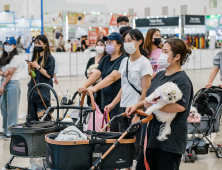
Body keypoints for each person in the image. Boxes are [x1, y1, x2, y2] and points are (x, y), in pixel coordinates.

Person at [125, 38, 193, 170]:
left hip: (168, 143)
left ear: (177, 56)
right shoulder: (160, 75)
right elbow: (150, 98)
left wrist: (151, 107)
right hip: (150, 138)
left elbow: (180, 106)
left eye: (165, 52)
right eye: (162, 51)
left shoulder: (182, 80)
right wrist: (137, 106)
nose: (161, 54)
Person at [89, 29, 153, 132]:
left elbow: (146, 91)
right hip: (123, 107)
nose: (127, 43)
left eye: (130, 40)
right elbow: (124, 86)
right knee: (122, 142)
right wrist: (113, 104)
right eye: (126, 41)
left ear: (139, 41)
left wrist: (138, 113)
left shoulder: (144, 63)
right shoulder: (125, 61)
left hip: (135, 108)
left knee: (134, 143)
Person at [78, 32, 127, 132]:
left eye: (110, 42)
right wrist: (85, 85)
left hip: (117, 104)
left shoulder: (124, 59)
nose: (107, 45)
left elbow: (113, 77)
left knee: (114, 131)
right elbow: (96, 74)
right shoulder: (105, 59)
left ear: (118, 45)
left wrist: (95, 88)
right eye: (107, 42)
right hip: (105, 102)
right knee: (105, 131)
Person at [27, 35, 55, 121]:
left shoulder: (50, 58)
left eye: (39, 43)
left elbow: (49, 75)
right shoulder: (35, 57)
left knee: (44, 121)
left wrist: (38, 67)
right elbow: (32, 75)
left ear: (45, 45)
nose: (37, 45)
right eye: (35, 43)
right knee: (32, 120)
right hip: (32, 93)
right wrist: (30, 68)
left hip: (43, 94)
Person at [0, 37, 21, 140]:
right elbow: (3, 72)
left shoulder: (16, 58)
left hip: (12, 84)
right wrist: (3, 73)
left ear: (14, 46)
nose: (7, 46)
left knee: (12, 110)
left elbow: (10, 74)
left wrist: (2, 85)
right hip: (3, 83)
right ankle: (5, 130)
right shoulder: (3, 57)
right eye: (6, 44)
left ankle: (11, 132)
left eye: (10, 44)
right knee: (3, 109)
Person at [205, 51, 222, 146]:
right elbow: (215, 69)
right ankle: (218, 143)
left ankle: (219, 143)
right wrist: (209, 82)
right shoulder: (220, 54)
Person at [85, 39, 107, 110]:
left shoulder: (106, 59)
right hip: (92, 86)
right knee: (92, 107)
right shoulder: (91, 59)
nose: (99, 46)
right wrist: (88, 75)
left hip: (103, 87)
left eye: (101, 45)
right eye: (97, 45)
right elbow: (86, 71)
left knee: (101, 108)